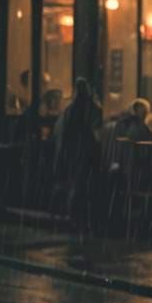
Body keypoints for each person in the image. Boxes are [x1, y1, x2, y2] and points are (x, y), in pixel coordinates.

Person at [52, 77, 102, 232]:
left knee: (75, 183)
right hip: (86, 151)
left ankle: (72, 215)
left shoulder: (71, 110)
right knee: (82, 183)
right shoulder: (92, 108)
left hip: (74, 151)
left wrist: (62, 152)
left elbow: (63, 133)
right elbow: (95, 129)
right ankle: (80, 216)